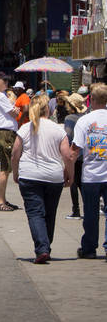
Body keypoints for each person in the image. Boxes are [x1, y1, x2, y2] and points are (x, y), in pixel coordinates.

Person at [11, 95, 73, 263]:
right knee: (50, 213)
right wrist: (70, 175)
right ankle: (45, 246)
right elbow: (67, 155)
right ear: (49, 109)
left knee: (35, 212)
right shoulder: (58, 129)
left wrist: (15, 172)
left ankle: (42, 248)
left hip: (29, 175)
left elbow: (15, 153)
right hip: (53, 177)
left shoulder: (25, 128)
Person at [71, 82, 107, 259]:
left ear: (91, 99)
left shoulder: (84, 121)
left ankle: (89, 248)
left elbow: (74, 151)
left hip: (91, 175)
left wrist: (68, 172)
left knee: (91, 214)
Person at [0, 72, 21, 212]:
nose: (7, 84)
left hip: (5, 132)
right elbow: (14, 113)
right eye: (4, 81)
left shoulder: (0, 95)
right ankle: (0, 201)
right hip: (5, 133)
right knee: (5, 168)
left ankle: (2, 199)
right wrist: (16, 109)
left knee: (6, 168)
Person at [63, 93, 88, 219]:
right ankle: (87, 208)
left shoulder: (70, 118)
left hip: (74, 153)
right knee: (82, 183)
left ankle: (76, 210)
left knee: (73, 182)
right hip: (84, 154)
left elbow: (68, 135)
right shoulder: (84, 117)